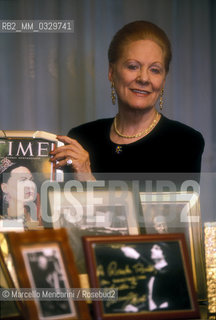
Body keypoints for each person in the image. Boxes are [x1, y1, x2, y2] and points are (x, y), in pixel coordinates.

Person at [50, 20, 204, 183]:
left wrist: (89, 180)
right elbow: (62, 206)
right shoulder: (81, 138)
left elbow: (172, 209)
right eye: (132, 66)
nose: (144, 78)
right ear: (111, 72)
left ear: (163, 80)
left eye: (155, 70)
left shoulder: (185, 142)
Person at [121, 242, 191, 312]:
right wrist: (138, 309)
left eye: (156, 248)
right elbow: (151, 299)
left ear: (165, 254)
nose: (151, 250)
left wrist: (137, 256)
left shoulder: (172, 270)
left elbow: (163, 276)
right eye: (152, 248)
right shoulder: (151, 273)